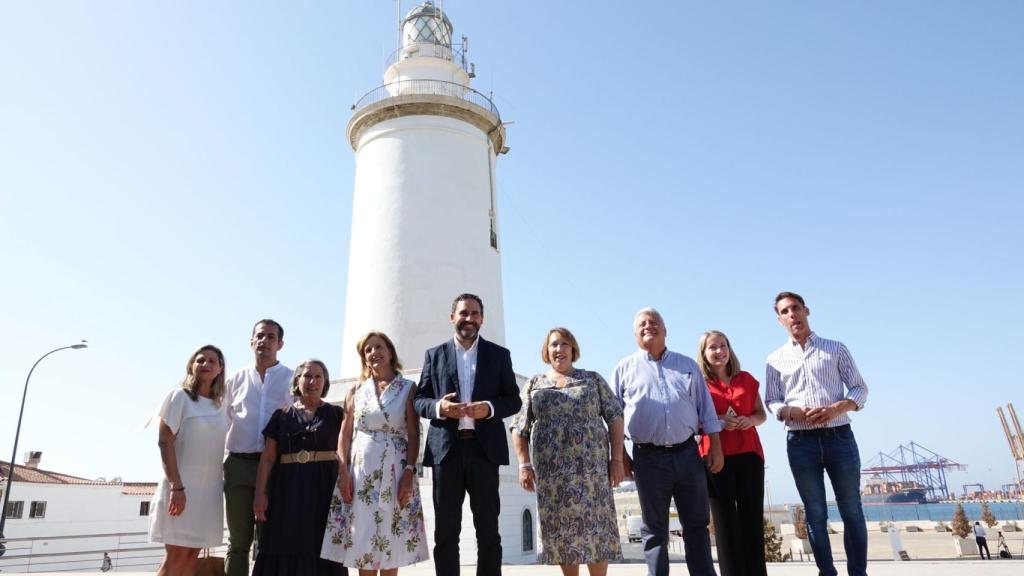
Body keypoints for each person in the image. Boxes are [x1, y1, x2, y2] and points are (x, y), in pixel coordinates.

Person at [413, 293, 522, 576]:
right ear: (452, 317)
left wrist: (487, 408)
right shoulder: (433, 355)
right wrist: (440, 407)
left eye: (475, 313)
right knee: (446, 532)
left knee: (489, 530)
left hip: (484, 452)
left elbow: (513, 400)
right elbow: (419, 401)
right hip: (446, 453)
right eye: (463, 313)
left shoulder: (499, 355)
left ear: (482, 318)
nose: (469, 319)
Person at [612, 308, 723, 576]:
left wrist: (716, 446)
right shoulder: (623, 369)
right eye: (642, 323)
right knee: (655, 530)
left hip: (688, 455)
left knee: (696, 525)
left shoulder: (688, 366)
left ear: (665, 329)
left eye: (654, 322)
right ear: (634, 333)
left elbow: (706, 411)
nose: (649, 326)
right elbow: (613, 417)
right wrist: (622, 456)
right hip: (647, 460)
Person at [765, 292, 869, 576]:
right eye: (785, 311)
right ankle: (827, 572)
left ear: (806, 310)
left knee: (852, 511)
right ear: (779, 320)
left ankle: (858, 573)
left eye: (796, 308)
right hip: (800, 443)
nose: (792, 315)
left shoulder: (836, 348)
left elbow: (860, 388)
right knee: (815, 514)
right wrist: (790, 412)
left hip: (840, 437)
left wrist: (839, 407)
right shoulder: (774, 359)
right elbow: (771, 400)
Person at [510, 327, 625, 576]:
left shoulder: (592, 380)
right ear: (546, 351)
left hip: (592, 475)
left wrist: (616, 459)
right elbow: (519, 428)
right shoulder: (534, 384)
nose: (559, 349)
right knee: (564, 536)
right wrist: (524, 465)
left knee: (595, 533)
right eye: (553, 345)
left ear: (573, 349)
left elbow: (615, 417)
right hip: (554, 479)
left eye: (564, 344)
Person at [321, 331, 429, 574]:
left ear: (390, 351)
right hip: (361, 472)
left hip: (396, 469)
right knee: (362, 540)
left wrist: (410, 472)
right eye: (367, 350)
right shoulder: (355, 391)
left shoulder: (408, 388)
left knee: (391, 539)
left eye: (378, 347)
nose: (373, 353)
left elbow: (414, 434)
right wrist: (343, 472)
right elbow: (345, 435)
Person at [252, 359, 346, 575]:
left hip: (324, 488)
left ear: (325, 382)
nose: (312, 381)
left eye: (318, 376)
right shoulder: (281, 416)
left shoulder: (336, 415)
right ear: (297, 380)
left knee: (322, 543)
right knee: (284, 541)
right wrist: (260, 493)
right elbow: (268, 459)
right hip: (287, 488)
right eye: (307, 376)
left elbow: (348, 454)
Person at [149, 345, 229, 576]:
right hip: (181, 488)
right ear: (191, 366)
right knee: (175, 558)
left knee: (191, 558)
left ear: (220, 368)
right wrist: (177, 486)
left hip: (209, 492)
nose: (205, 365)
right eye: (200, 360)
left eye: (212, 361)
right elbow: (165, 442)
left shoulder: (221, 405)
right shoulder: (179, 397)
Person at [224, 319, 294, 576]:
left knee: (271, 541)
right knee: (238, 542)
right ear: (251, 341)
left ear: (280, 344)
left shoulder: (292, 379)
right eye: (260, 336)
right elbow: (222, 423)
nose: (264, 340)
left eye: (271, 337)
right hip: (238, 466)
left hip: (276, 468)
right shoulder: (234, 380)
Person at [697, 331, 767, 576]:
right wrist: (717, 421)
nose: (719, 351)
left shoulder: (746, 379)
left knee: (752, 521)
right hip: (716, 457)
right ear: (704, 354)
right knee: (725, 524)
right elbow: (693, 422)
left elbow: (761, 414)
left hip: (749, 455)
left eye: (723, 346)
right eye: (712, 347)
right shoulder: (699, 384)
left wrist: (750, 420)